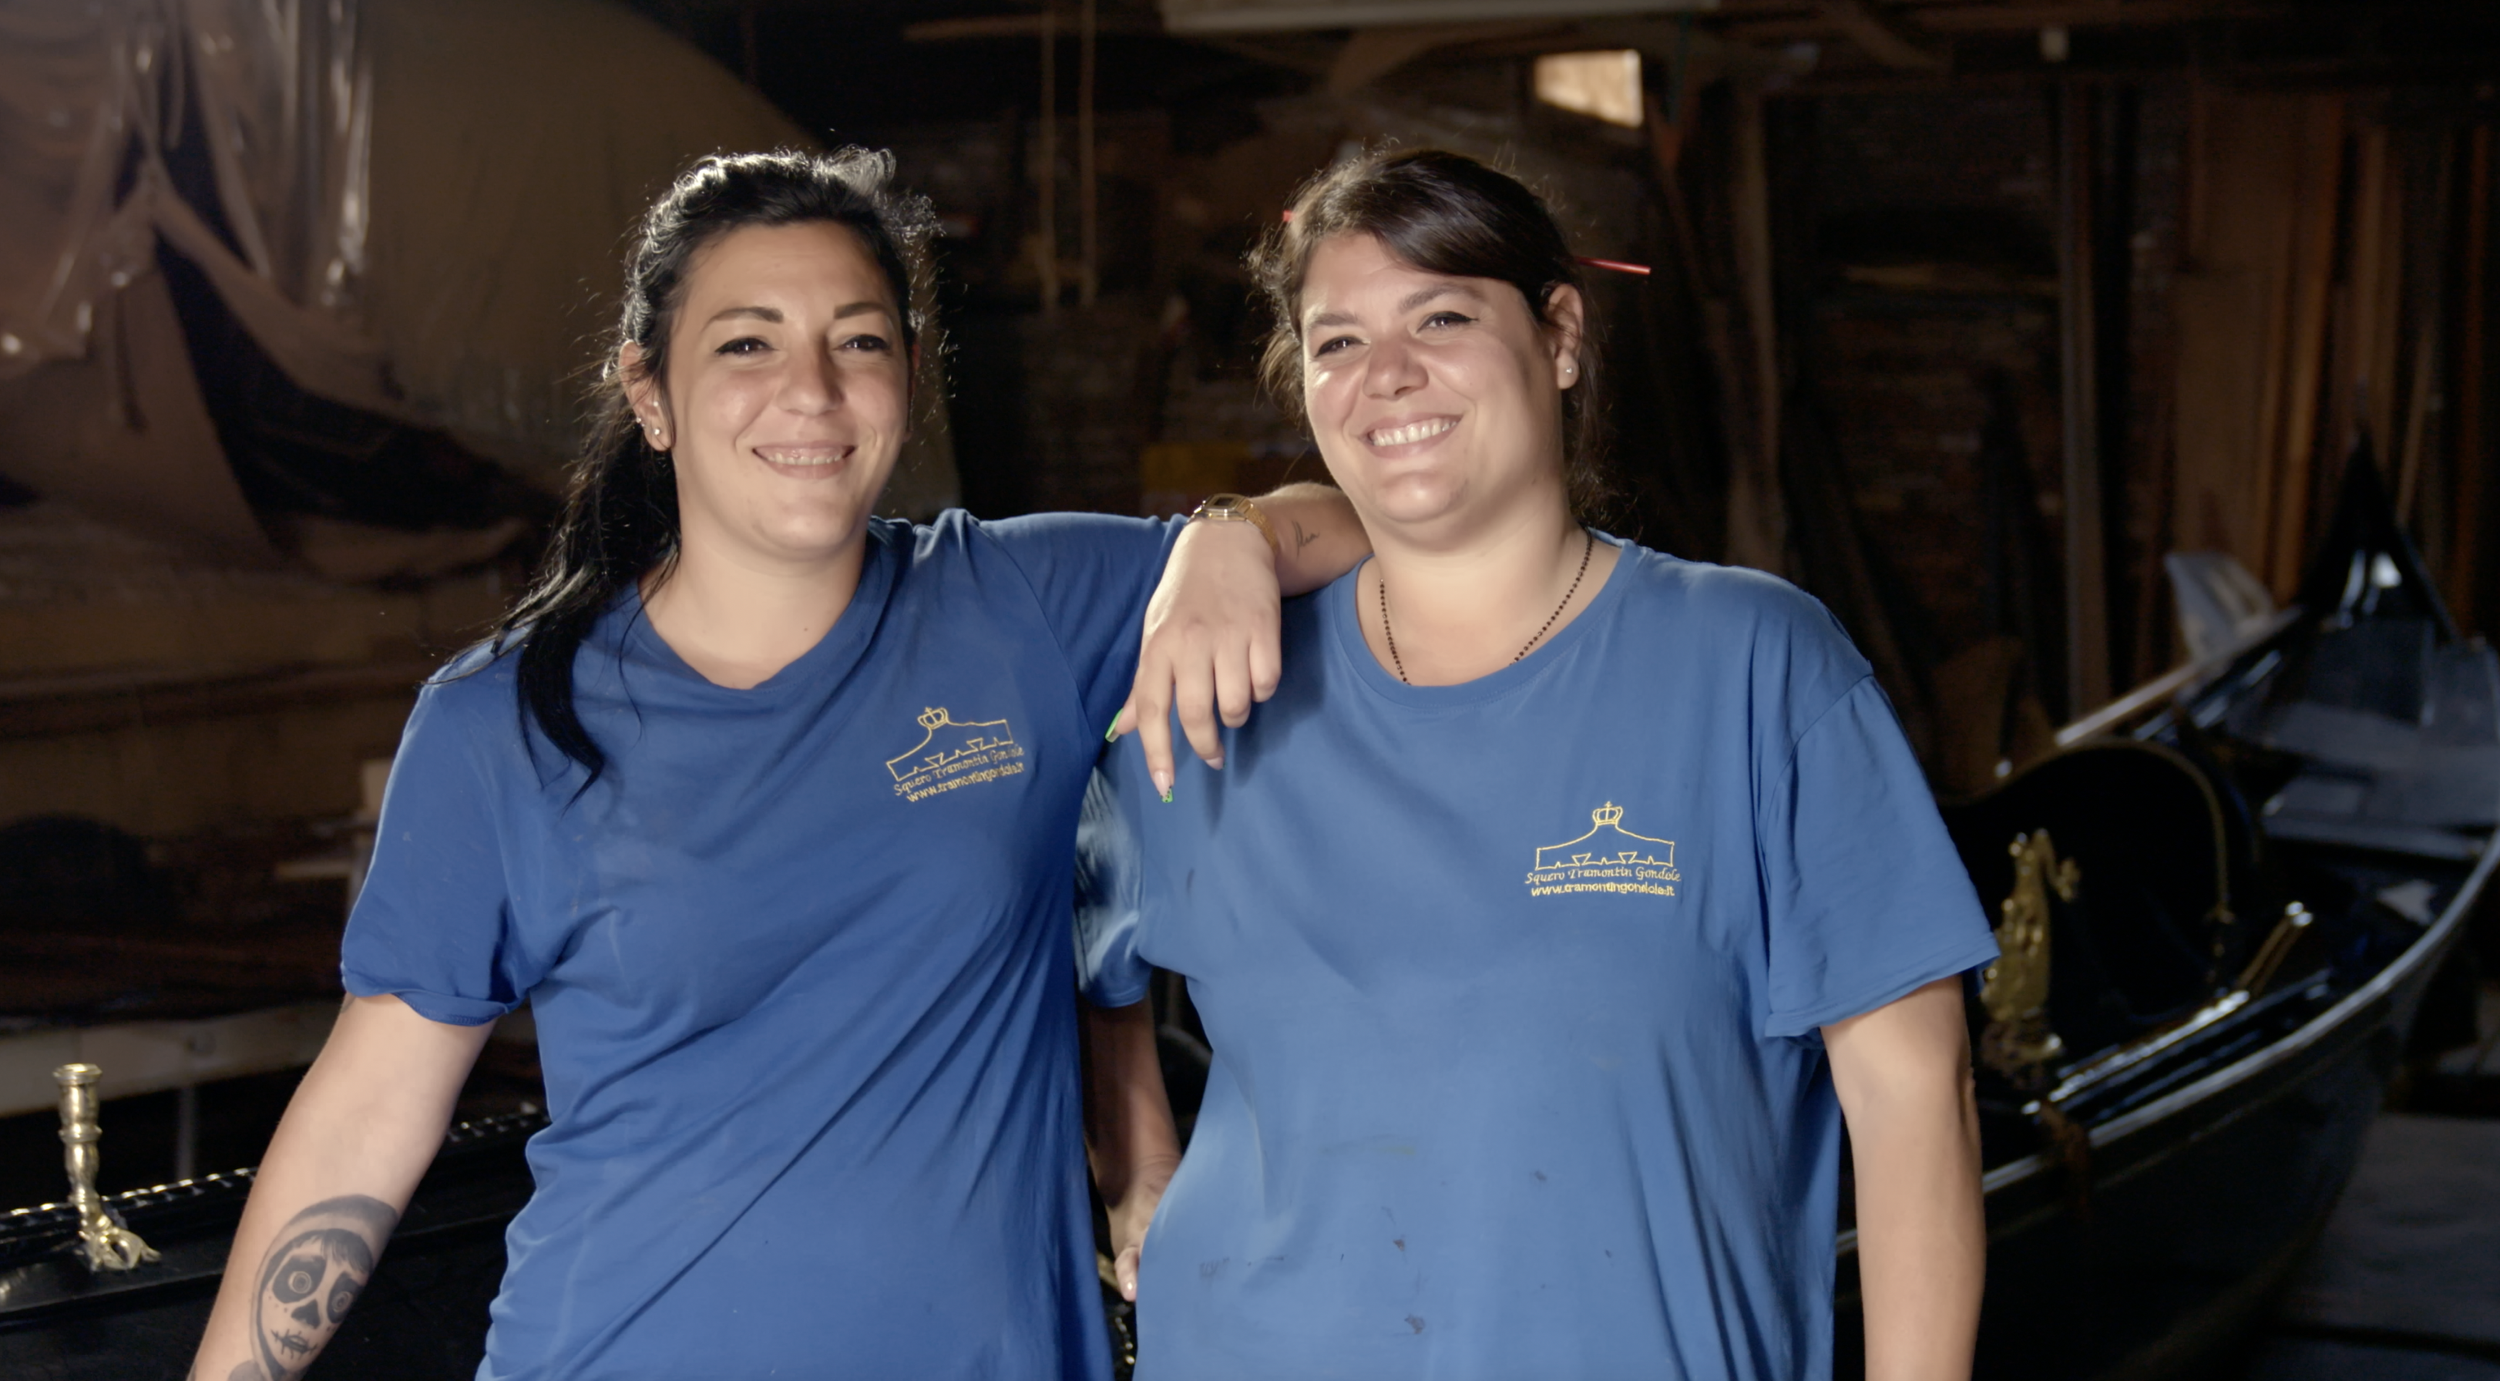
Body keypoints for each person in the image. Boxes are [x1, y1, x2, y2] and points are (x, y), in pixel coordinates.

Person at [186, 148, 1368, 1381]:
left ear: (909, 378)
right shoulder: (506, 721)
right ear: (650, 392)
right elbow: (366, 1120)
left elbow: (1364, 526)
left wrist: (1233, 538)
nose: (810, 390)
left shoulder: (1018, 604)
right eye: (746, 344)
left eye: (857, 341)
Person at [1076, 147, 1998, 1381]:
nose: (1385, 375)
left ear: (1560, 335)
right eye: (1336, 341)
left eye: (1442, 317)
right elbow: (1078, 948)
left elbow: (1911, 1099)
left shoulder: (1750, 665)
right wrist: (1138, 1165)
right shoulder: (1214, 677)